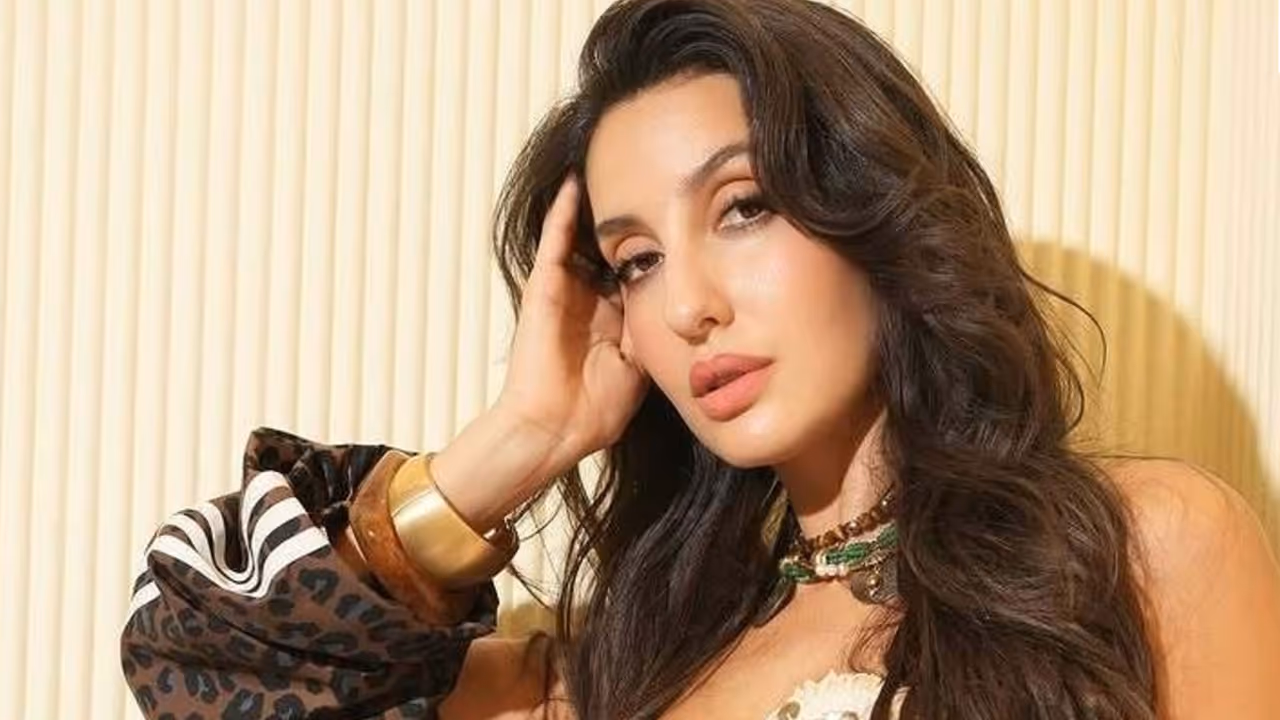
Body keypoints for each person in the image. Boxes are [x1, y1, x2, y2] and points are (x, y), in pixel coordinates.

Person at [120, 0, 1280, 718]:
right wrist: (522, 437)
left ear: (872, 212)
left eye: (742, 207)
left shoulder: (1139, 551)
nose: (686, 306)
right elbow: (210, 668)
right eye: (634, 262)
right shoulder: (624, 675)